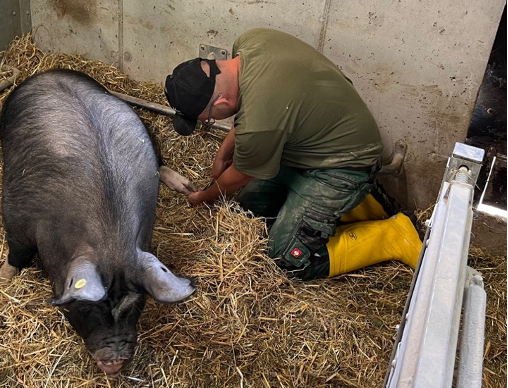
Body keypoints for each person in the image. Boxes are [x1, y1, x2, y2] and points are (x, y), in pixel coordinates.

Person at [164, 28, 422, 280]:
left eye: (207, 119)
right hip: (316, 141)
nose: (209, 122)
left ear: (220, 103)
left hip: (344, 165)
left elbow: (242, 169)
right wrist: (223, 154)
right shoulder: (250, 42)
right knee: (251, 208)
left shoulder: (260, 122)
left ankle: (392, 234)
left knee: (286, 258)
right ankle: (354, 208)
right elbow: (255, 114)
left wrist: (203, 198)